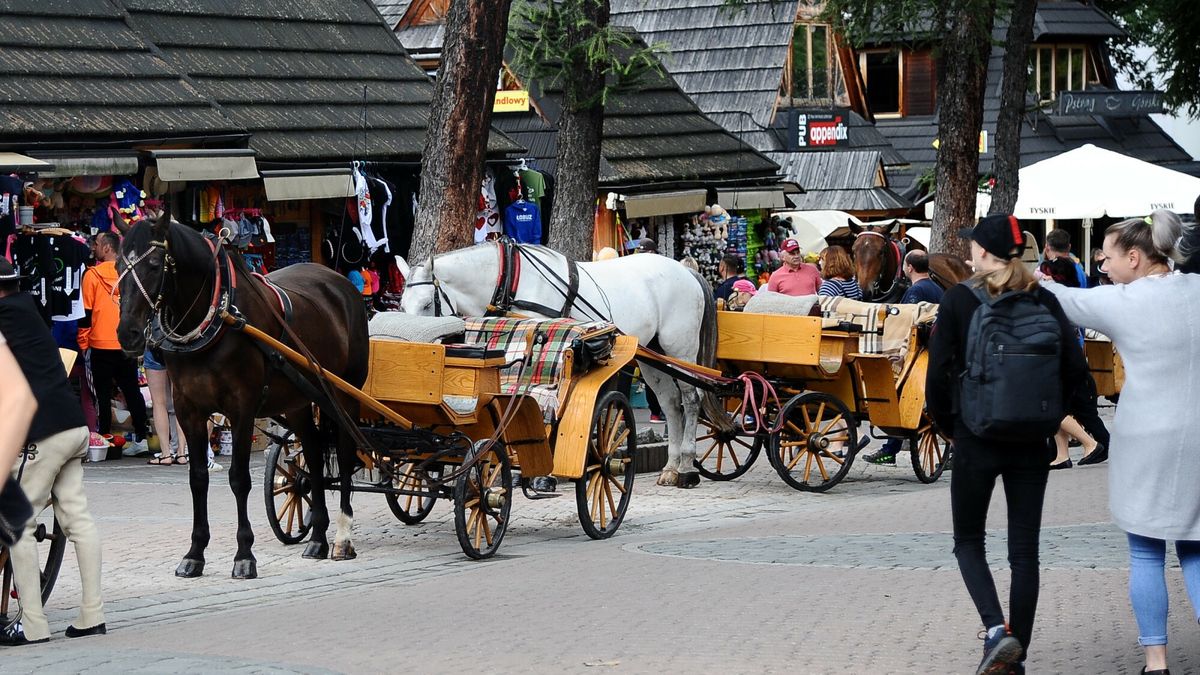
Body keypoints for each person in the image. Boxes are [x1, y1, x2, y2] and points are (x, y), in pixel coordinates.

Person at [926, 214, 1091, 674]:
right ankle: (1015, 655)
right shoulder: (1044, 297)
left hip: (976, 436)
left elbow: (938, 373)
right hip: (1032, 441)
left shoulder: (960, 299)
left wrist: (948, 424)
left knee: (968, 540)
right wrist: (1049, 412)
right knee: (1024, 552)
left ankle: (997, 631)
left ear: (981, 253)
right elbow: (1076, 369)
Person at [1041, 209, 1200, 675]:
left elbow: (1060, 298)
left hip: (1146, 436)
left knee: (1146, 550)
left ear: (1134, 256)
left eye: (1108, 258)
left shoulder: (1123, 303)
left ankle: (1156, 662)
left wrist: (1013, 270)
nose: (1103, 268)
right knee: (1196, 547)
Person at [0, 260, 106, 645]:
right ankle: (92, 614)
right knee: (78, 519)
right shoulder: (29, 311)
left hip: (42, 433)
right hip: (74, 426)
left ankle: (33, 624)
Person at [864, 250, 946, 465]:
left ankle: (890, 449)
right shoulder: (937, 289)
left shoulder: (915, 292)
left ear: (908, 267)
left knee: (896, 395)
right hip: (930, 353)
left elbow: (904, 327)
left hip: (913, 355)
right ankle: (890, 448)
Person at [78, 232, 149, 456]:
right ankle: (141, 437)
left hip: (99, 344)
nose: (93, 247)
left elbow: (86, 314)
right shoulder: (129, 273)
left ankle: (106, 442)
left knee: (102, 394)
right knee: (132, 391)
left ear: (107, 247)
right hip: (125, 343)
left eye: (97, 243)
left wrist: (83, 342)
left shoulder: (92, 276)